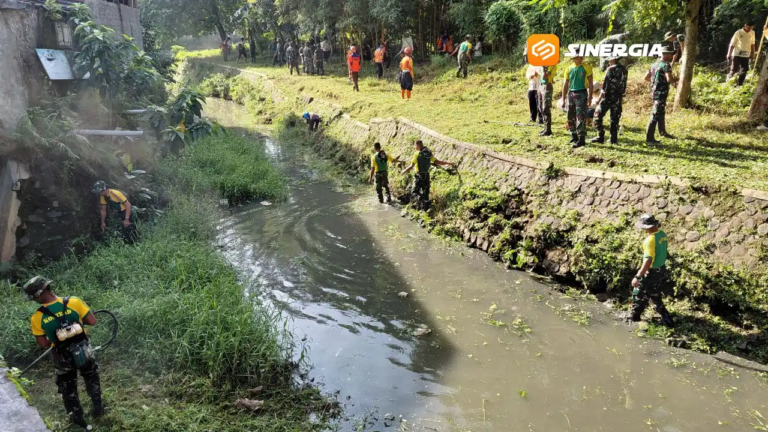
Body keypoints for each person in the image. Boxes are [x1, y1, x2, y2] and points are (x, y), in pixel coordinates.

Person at [25, 276, 103, 428]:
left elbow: (43, 343)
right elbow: (92, 321)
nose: (34, 300)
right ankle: (98, 409)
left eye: (34, 297)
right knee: (91, 377)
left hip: (61, 357)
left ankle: (77, 419)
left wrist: (56, 336)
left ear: (39, 294)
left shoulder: (37, 317)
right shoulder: (74, 302)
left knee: (68, 389)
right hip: (84, 350)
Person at [630, 214, 673, 327]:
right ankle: (667, 319)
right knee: (654, 294)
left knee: (638, 293)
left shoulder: (650, 240)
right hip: (661, 269)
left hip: (651, 271)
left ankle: (634, 317)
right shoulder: (662, 234)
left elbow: (648, 260)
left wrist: (638, 276)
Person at [401, 140, 455, 210]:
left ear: (417, 145)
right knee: (426, 194)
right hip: (426, 175)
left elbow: (411, 166)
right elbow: (437, 161)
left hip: (418, 176)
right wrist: (448, 163)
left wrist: (404, 171)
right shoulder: (428, 153)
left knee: (414, 193)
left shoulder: (417, 154)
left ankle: (421, 201)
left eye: (415, 145)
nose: (414, 147)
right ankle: (425, 209)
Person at [591, 55, 627, 144]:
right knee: (614, 119)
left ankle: (600, 136)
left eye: (609, 60)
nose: (608, 62)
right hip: (618, 97)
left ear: (613, 59)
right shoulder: (624, 70)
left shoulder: (610, 69)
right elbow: (623, 85)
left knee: (597, 116)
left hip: (608, 97)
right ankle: (613, 139)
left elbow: (605, 86)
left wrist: (599, 98)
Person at [644, 47, 677, 144]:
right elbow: (669, 79)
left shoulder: (654, 64)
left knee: (661, 112)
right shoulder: (666, 65)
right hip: (661, 93)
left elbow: (646, 77)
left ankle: (662, 132)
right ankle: (649, 138)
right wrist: (677, 81)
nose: (672, 56)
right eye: (670, 54)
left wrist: (656, 82)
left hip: (654, 92)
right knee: (655, 113)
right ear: (665, 54)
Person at [562, 55, 593, 148]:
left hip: (582, 93)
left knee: (580, 116)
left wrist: (590, 97)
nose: (581, 58)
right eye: (579, 57)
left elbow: (590, 83)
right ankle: (574, 136)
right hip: (571, 93)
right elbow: (565, 84)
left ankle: (581, 139)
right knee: (570, 115)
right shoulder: (568, 68)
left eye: (582, 56)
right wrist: (563, 99)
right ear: (574, 58)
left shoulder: (586, 67)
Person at [727, 22, 756, 86]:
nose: (750, 29)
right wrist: (729, 53)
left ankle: (739, 84)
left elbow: (752, 44)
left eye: (751, 27)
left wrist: (753, 54)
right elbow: (732, 44)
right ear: (745, 26)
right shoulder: (738, 32)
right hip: (737, 54)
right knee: (734, 69)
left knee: (744, 70)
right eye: (748, 27)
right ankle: (729, 81)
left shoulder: (752, 33)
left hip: (746, 55)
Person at [538, 63, 558, 136]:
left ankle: (548, 130)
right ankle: (545, 127)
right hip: (541, 86)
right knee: (540, 108)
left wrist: (543, 68)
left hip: (547, 86)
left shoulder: (552, 66)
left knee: (545, 108)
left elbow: (544, 76)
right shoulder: (541, 65)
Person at [525, 57, 543, 123]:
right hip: (531, 86)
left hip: (538, 87)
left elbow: (542, 75)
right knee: (532, 103)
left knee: (539, 103)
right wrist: (531, 76)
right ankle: (533, 118)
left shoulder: (541, 66)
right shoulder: (531, 65)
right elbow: (527, 74)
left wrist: (537, 75)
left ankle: (541, 118)